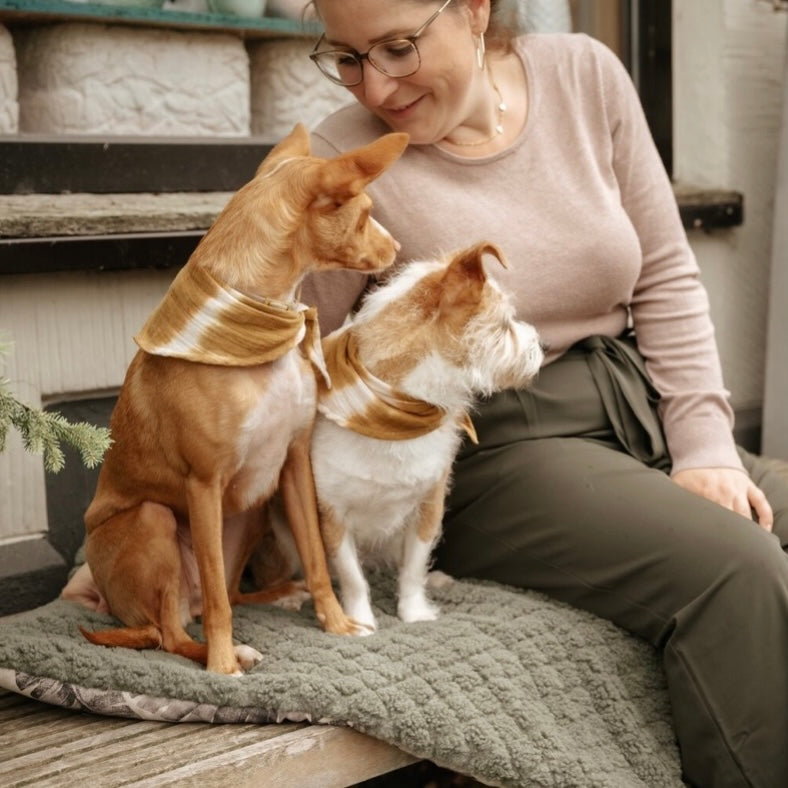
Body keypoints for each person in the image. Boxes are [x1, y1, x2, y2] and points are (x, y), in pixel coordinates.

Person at [301, 1, 788, 786]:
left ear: (474, 11)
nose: (378, 88)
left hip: (638, 403)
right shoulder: (342, 161)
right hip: (497, 453)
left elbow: (664, 270)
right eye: (348, 57)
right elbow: (280, 361)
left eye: (398, 48)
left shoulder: (585, 74)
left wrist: (705, 447)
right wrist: (171, 519)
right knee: (738, 571)